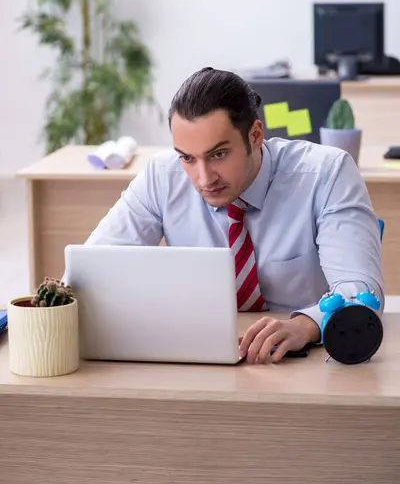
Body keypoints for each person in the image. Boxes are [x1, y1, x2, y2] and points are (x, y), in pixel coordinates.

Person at [85, 67, 384, 364]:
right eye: (187, 158)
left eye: (218, 154)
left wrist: (305, 325)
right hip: (199, 355)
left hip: (300, 361)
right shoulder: (161, 177)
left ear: (255, 135)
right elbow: (93, 272)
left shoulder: (328, 173)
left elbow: (361, 293)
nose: (203, 179)